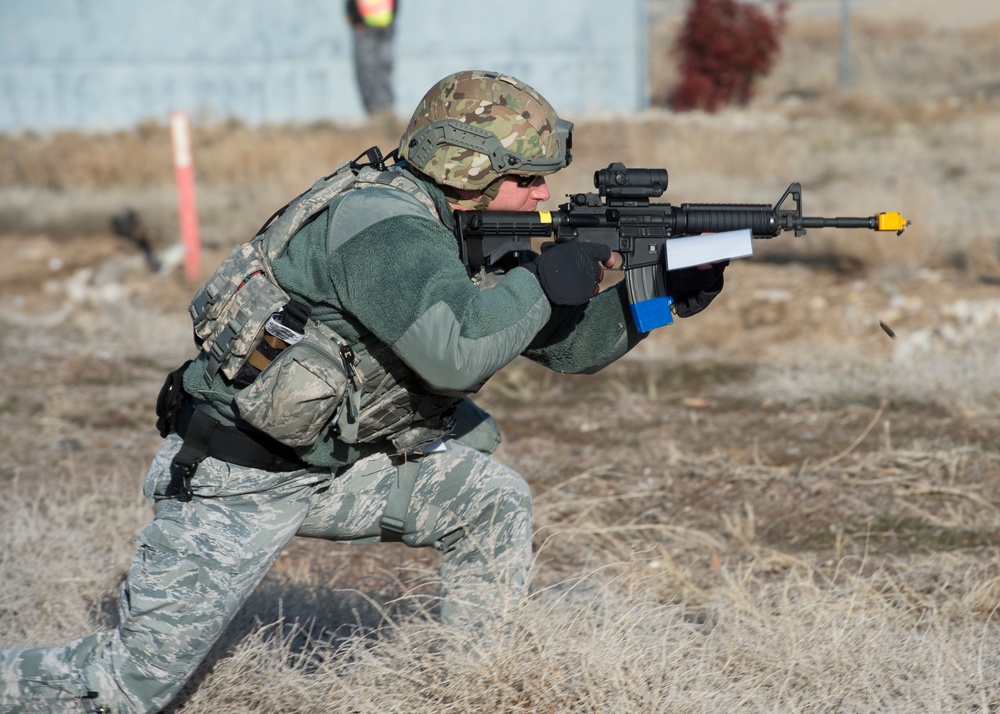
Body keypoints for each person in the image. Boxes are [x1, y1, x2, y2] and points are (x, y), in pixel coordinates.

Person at [0, 69, 727, 713]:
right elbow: (455, 355)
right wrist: (545, 278)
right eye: (528, 177)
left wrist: (655, 296)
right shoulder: (383, 225)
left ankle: (473, 692)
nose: (544, 194)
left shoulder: (459, 225)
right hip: (235, 476)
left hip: (334, 464)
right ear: (468, 167)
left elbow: (564, 347)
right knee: (129, 690)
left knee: (491, 501)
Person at [345, 0, 398, 118]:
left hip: (381, 27)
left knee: (377, 71)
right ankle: (377, 111)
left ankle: (384, 111)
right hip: (370, 26)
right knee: (372, 71)